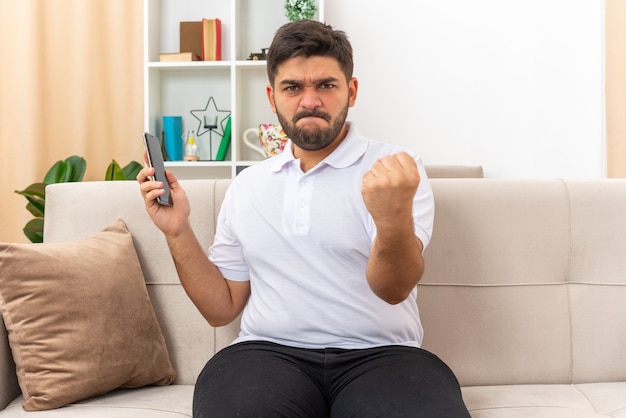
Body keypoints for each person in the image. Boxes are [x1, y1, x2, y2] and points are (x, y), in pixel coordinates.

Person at [138, 20, 470, 418]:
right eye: (292, 87)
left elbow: (393, 289)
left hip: (384, 356)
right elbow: (221, 309)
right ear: (272, 97)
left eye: (326, 85)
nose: (309, 100)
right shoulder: (249, 185)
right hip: (266, 355)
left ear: (352, 90)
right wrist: (177, 230)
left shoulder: (396, 170)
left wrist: (392, 216)